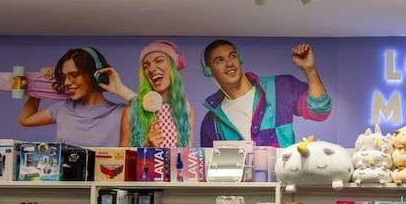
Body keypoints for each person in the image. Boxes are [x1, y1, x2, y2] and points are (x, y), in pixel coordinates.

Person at [199, 39, 331, 148]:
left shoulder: (280, 86)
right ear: (209, 71)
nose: (229, 63)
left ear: (240, 59)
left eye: (232, 56)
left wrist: (309, 69)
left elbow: (320, 111)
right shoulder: (212, 122)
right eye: (220, 60)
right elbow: (211, 165)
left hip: (282, 172)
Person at [18, 46, 135, 147]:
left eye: (74, 75)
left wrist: (120, 89)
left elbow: (147, 112)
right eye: (64, 77)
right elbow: (25, 119)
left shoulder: (122, 113)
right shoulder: (63, 109)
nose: (66, 82)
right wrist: (39, 83)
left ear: (95, 75)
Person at [120, 40, 195, 148]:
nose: (151, 69)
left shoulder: (186, 109)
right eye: (146, 66)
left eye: (159, 60)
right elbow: (121, 156)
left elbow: (189, 153)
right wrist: (147, 146)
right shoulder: (131, 111)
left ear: (174, 66)